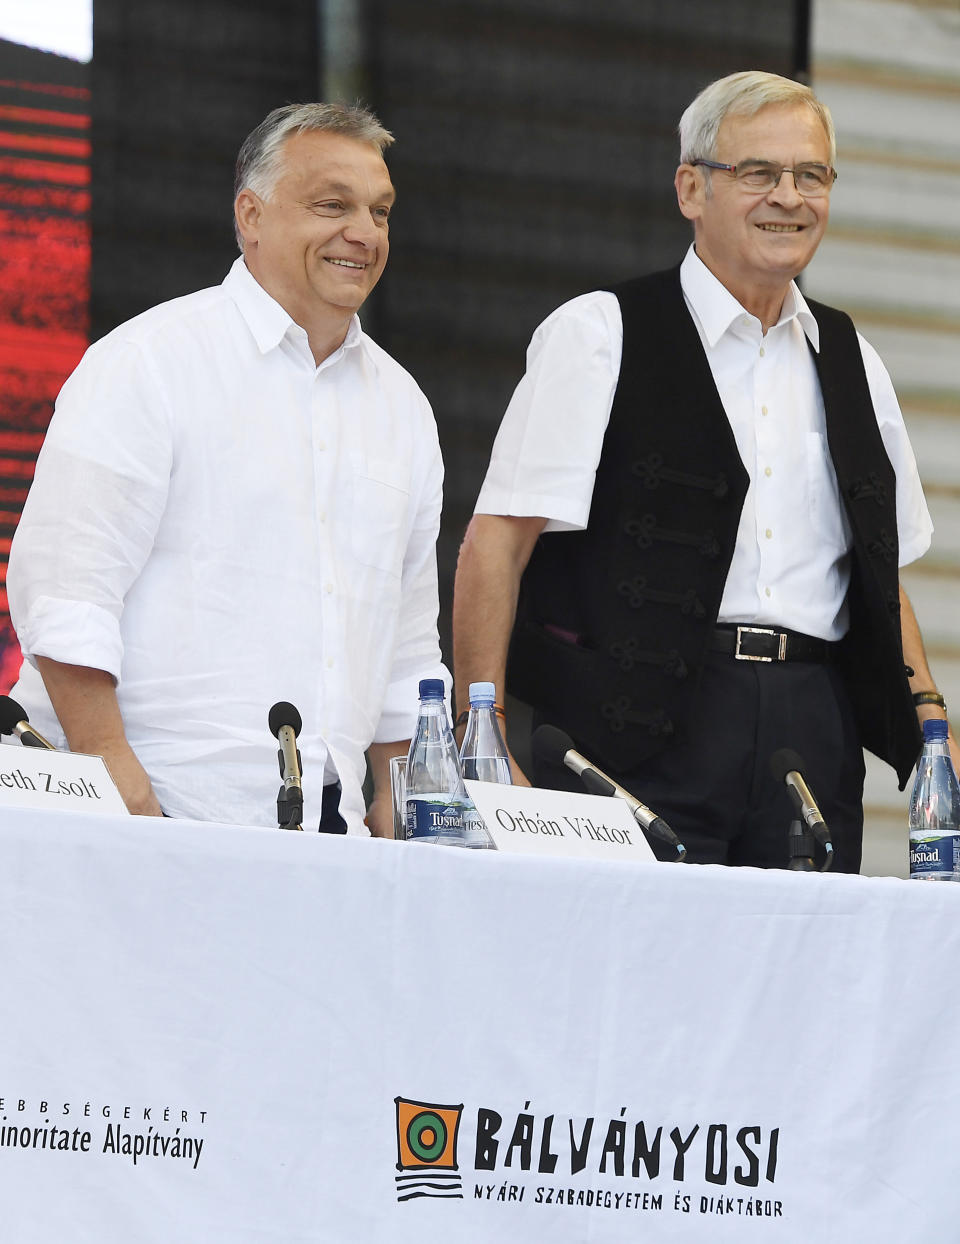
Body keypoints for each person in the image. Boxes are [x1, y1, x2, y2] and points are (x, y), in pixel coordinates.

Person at [453, 70, 951, 871]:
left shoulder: (853, 356)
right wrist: (481, 743)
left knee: (797, 979)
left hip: (808, 737)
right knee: (624, 978)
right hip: (628, 735)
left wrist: (936, 737)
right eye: (758, 173)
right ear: (691, 188)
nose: (788, 197)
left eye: (811, 175)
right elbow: (496, 546)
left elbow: (880, 577)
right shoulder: (598, 333)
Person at [6, 102, 448, 835]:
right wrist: (114, 772)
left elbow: (407, 639)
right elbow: (65, 590)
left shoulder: (404, 407)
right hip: (143, 808)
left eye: (380, 211)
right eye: (332, 206)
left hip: (329, 834)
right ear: (251, 215)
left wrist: (397, 795)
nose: (364, 234)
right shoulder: (148, 362)